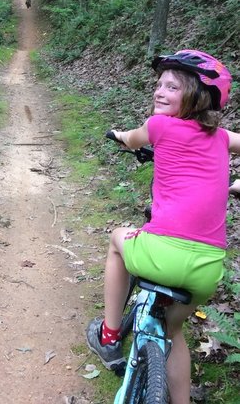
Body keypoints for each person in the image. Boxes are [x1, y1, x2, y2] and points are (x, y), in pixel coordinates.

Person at [86, 50, 240, 404]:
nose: (159, 90)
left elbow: (133, 139)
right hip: (207, 269)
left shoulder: (159, 126)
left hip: (160, 252)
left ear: (197, 96)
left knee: (116, 239)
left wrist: (120, 135)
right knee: (175, 329)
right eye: (159, 84)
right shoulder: (221, 138)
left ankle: (109, 335)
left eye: (172, 86)